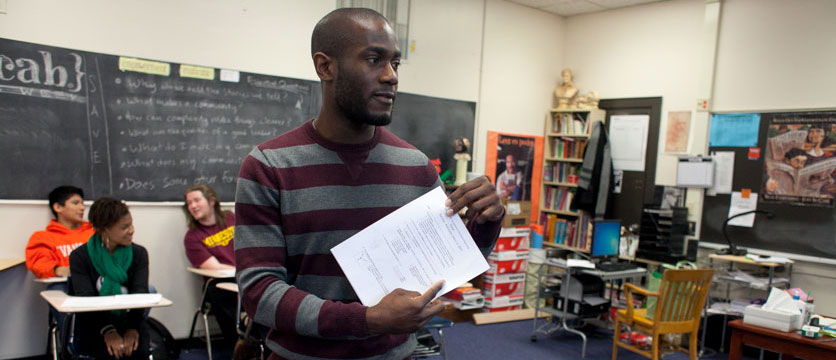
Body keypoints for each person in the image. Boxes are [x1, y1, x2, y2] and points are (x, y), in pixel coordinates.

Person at [234, 8, 504, 359]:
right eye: (374, 59)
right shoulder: (268, 166)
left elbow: (448, 269)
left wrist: (486, 223)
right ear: (325, 67)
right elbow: (260, 293)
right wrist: (368, 319)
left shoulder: (416, 167)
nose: (391, 76)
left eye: (395, 63)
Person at [69, 197, 149, 359]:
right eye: (124, 227)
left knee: (137, 351)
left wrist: (132, 329)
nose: (132, 230)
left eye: (131, 224)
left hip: (129, 321)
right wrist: (108, 331)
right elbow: (86, 300)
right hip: (95, 324)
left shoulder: (139, 253)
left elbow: (140, 294)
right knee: (106, 354)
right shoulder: (80, 257)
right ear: (104, 229)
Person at [182, 184, 239, 350]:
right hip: (221, 284)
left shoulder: (231, 218)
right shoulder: (192, 237)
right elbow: (215, 268)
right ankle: (237, 347)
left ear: (211, 201)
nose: (192, 206)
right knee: (217, 290)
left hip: (246, 276)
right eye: (189, 203)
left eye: (197, 200)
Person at [26, 185, 95, 279]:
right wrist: (60, 270)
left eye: (82, 203)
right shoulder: (43, 238)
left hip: (95, 280)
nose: (82, 207)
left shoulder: (94, 232)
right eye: (75, 203)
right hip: (63, 283)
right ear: (58, 207)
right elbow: (39, 264)